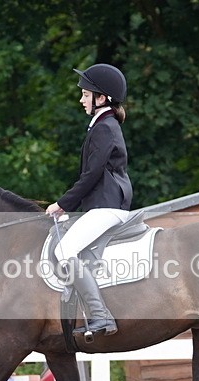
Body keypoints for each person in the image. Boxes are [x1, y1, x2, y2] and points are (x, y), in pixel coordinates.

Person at [46, 63, 133, 337]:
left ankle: (100, 316)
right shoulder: (102, 125)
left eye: (85, 95)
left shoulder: (105, 127)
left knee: (63, 251)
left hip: (107, 205)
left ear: (101, 98)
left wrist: (62, 204)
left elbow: (92, 175)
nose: (81, 100)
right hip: (103, 204)